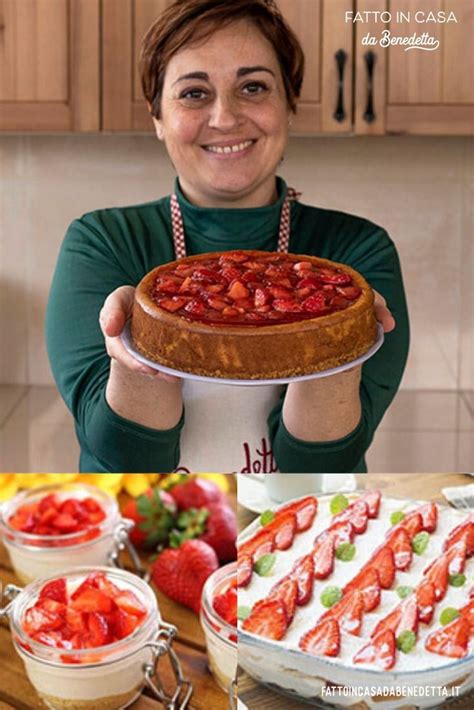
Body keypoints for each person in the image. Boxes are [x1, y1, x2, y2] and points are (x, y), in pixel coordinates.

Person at [46, 0, 409, 473]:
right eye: (194, 93)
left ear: (290, 105)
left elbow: (321, 468)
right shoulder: (102, 242)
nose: (224, 117)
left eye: (253, 87)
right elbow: (124, 459)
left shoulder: (355, 258)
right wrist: (144, 345)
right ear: (157, 117)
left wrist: (334, 339)